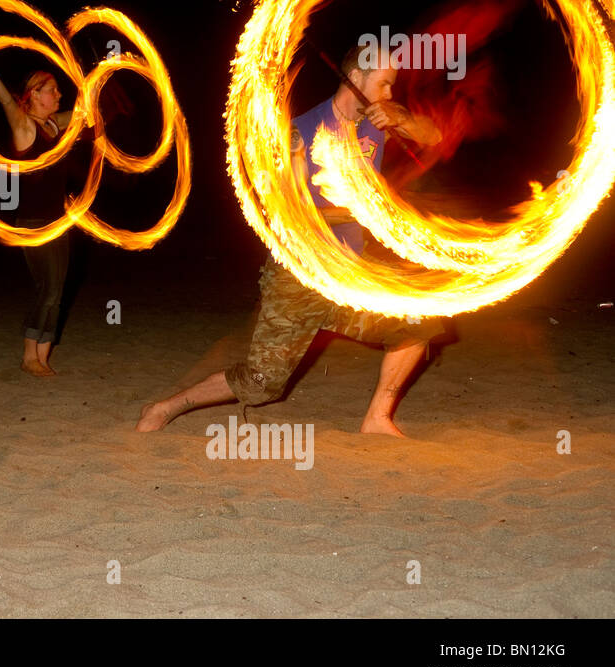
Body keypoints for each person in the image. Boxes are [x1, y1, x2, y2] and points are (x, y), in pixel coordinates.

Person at [136, 46, 444, 436]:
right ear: (355, 79)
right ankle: (166, 407)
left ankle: (377, 417)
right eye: (384, 85)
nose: (388, 94)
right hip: (299, 275)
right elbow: (290, 210)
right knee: (261, 383)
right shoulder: (303, 130)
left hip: (350, 271)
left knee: (420, 323)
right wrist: (361, 209)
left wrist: (401, 117)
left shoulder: (379, 121)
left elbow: (433, 137)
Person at [0, 58, 76, 376]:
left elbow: (83, 111)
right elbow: (8, 101)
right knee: (46, 288)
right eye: (52, 90)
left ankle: (43, 357)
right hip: (33, 223)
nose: (59, 95)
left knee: (59, 288)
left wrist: (100, 80)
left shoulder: (55, 124)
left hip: (58, 220)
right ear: (35, 94)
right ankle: (28, 357)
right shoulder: (26, 127)